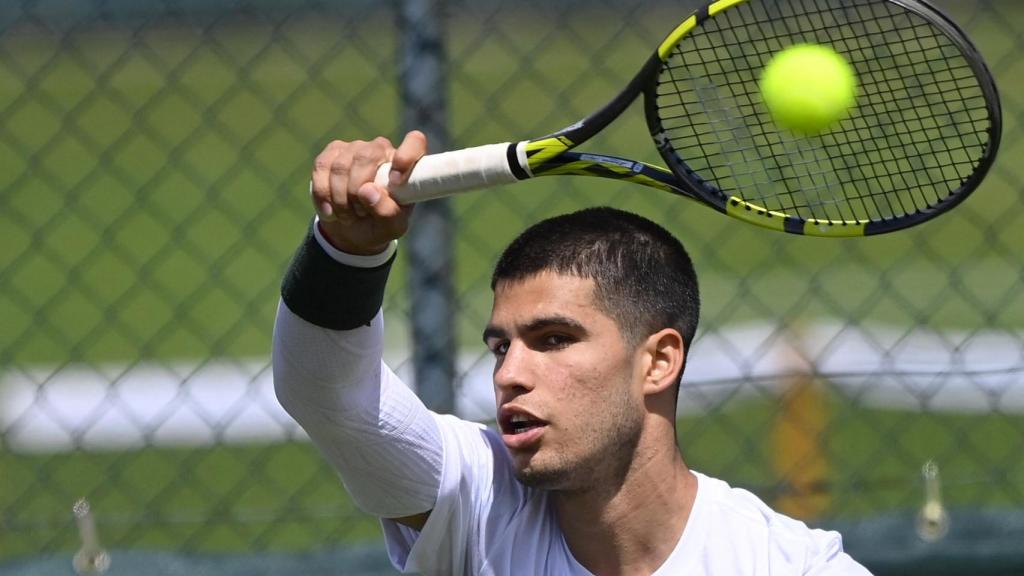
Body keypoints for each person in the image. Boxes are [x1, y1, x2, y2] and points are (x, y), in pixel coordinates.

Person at [273, 130, 871, 575]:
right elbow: (330, 395)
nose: (509, 374)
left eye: (554, 340)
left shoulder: (787, 566)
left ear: (659, 361)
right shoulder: (479, 499)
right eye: (500, 347)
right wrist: (347, 249)